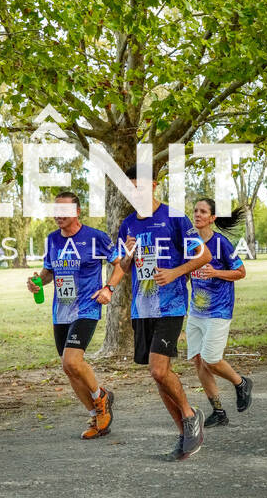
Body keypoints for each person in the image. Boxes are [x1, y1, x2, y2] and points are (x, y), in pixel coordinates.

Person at [118, 166, 212, 461]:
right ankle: (185, 435)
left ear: (154, 185)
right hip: (142, 308)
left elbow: (204, 255)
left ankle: (190, 414)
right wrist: (127, 256)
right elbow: (123, 268)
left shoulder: (174, 218)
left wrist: (175, 272)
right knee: (157, 375)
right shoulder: (127, 224)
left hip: (171, 305)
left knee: (159, 370)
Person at [27, 192, 123, 440]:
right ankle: (95, 415)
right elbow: (49, 272)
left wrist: (109, 288)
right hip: (61, 311)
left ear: (77, 212)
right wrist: (37, 282)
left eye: (64, 210)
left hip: (87, 308)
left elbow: (120, 265)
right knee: (69, 368)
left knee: (72, 361)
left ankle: (101, 398)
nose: (58, 215)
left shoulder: (95, 237)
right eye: (56, 210)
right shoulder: (52, 240)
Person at [186, 198, 253, 428]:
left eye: (203, 212)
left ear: (212, 218)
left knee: (211, 360)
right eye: (196, 210)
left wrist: (215, 273)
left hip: (219, 310)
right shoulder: (191, 244)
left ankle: (241, 382)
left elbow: (241, 272)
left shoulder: (221, 243)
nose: (197, 214)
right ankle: (218, 411)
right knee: (199, 361)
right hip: (196, 311)